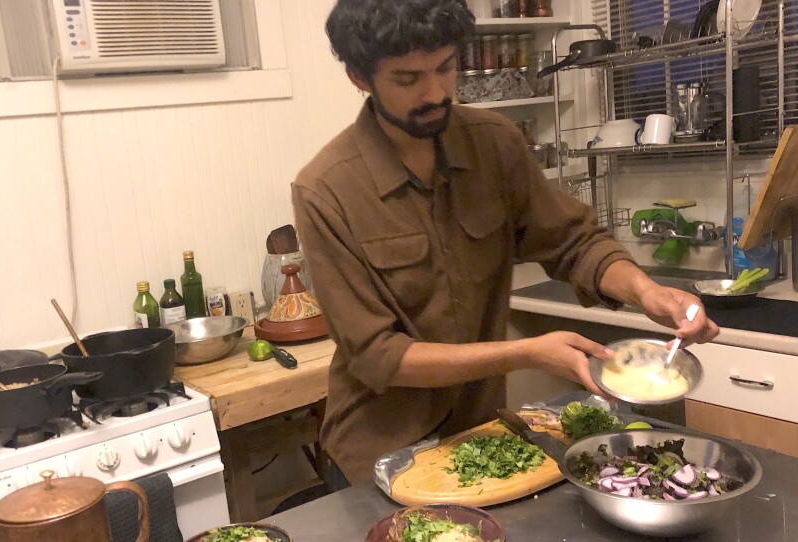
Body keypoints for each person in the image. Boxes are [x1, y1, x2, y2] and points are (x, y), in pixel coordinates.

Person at [291, 0, 720, 488]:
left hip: (480, 434)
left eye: (446, 67)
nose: (435, 92)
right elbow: (378, 356)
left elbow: (572, 242)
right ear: (359, 77)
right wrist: (527, 353)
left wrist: (645, 291)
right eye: (408, 79)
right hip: (378, 452)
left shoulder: (494, 143)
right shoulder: (325, 190)